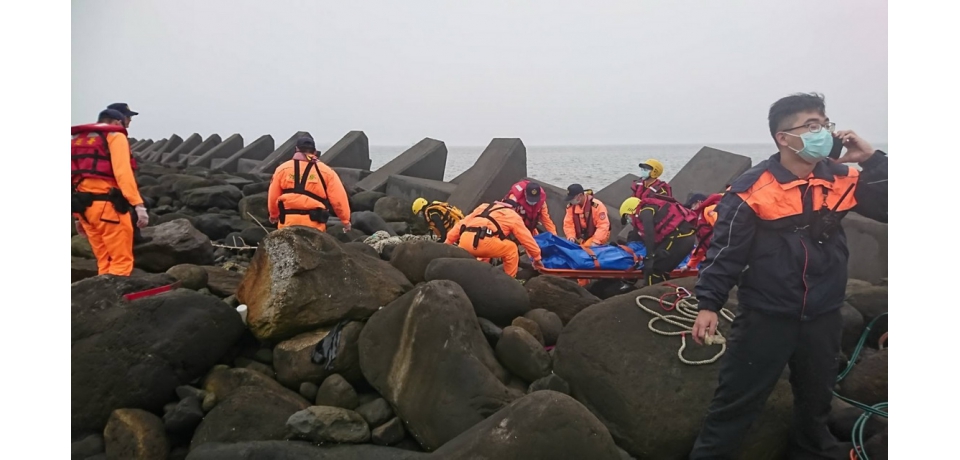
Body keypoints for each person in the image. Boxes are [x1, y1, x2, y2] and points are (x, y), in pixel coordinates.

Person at [688, 93, 888, 459]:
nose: (824, 132)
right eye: (811, 126)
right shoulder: (751, 189)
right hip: (766, 315)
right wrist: (708, 305)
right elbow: (726, 252)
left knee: (817, 398)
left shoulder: (842, 178)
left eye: (825, 124)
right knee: (736, 400)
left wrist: (874, 160)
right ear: (783, 137)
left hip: (824, 314)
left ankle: (810, 449)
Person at [71, 109, 149, 276]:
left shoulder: (76, 141)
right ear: (116, 122)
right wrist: (138, 205)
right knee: (121, 261)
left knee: (104, 260)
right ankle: (115, 298)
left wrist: (77, 215)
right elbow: (123, 173)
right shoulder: (115, 136)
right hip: (108, 208)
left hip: (84, 208)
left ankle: (101, 296)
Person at [268, 136, 351, 233]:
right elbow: (338, 200)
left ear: (296, 150)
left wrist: (274, 215)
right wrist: (345, 221)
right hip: (314, 225)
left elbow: (273, 196)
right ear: (315, 152)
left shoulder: (282, 169)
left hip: (287, 222)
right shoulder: (326, 171)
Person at [444, 199, 544, 278]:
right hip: (484, 242)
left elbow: (460, 225)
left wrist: (447, 244)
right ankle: (510, 281)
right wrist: (537, 257)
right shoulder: (512, 215)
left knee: (489, 247)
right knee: (512, 249)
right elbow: (526, 239)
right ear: (515, 209)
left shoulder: (483, 207)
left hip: (464, 241)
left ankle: (479, 272)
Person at [618, 192, 697, 287]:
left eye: (627, 217)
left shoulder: (645, 211)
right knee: (662, 271)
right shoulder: (652, 209)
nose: (629, 221)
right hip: (685, 238)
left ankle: (650, 296)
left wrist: (649, 257)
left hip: (679, 238)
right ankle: (663, 293)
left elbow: (649, 234)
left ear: (631, 210)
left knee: (653, 269)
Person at [106, 102, 147, 243]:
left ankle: (133, 236)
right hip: (114, 187)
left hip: (97, 193)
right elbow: (121, 170)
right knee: (136, 205)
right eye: (128, 117)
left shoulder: (99, 137)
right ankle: (133, 239)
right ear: (119, 118)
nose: (130, 120)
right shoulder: (117, 137)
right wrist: (138, 204)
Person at [681, 192, 723, 271]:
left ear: (699, 202)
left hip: (725, 254)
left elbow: (724, 229)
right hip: (719, 256)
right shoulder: (700, 219)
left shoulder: (709, 210)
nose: (691, 209)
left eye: (692, 206)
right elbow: (702, 245)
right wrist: (689, 265)